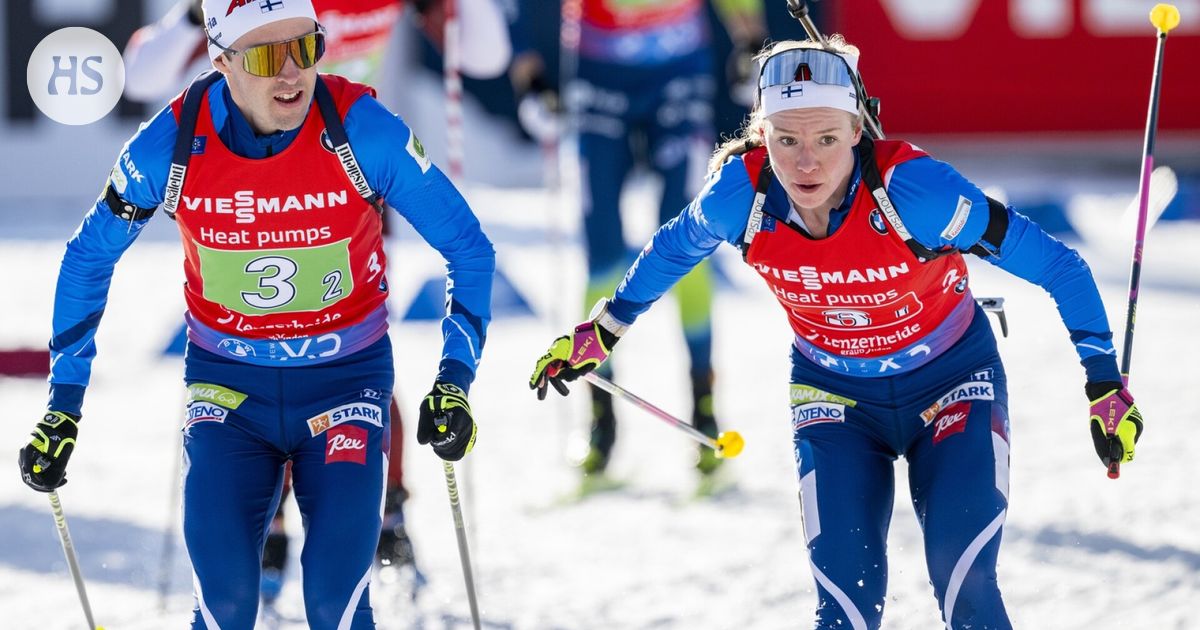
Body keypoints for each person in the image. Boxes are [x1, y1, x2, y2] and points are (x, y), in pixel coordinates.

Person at [529, 36, 1145, 629]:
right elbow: (670, 249)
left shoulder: (916, 193)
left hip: (953, 385)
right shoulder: (738, 196)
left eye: (827, 138)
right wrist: (603, 331)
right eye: (786, 139)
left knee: (965, 584)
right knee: (844, 608)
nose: (806, 161)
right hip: (834, 398)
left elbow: (1061, 267)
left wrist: (1104, 385)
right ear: (760, 135)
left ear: (857, 130)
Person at [17, 1, 494, 627]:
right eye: (268, 57)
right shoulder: (174, 144)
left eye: (307, 47)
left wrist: (455, 383)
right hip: (227, 394)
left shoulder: (362, 130)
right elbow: (86, 260)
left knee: (335, 603)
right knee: (227, 605)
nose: (292, 73)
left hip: (345, 386)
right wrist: (63, 407)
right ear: (221, 62)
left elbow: (469, 248)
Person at [509, 0, 766, 483]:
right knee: (602, 251)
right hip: (599, 76)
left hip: (679, 70)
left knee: (689, 240)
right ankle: (601, 420)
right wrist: (530, 76)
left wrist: (751, 38)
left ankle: (704, 406)